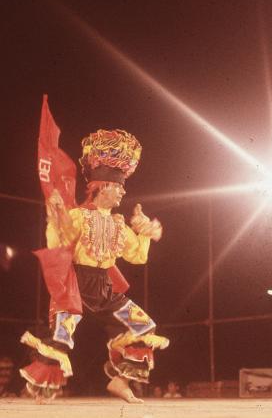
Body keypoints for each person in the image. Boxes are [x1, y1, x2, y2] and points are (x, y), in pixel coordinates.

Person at [20, 125, 169, 403]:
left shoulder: (118, 224)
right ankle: (40, 390)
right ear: (103, 188)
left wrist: (144, 232)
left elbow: (138, 256)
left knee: (145, 327)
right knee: (61, 339)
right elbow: (57, 243)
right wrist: (54, 216)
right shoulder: (78, 217)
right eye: (119, 188)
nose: (123, 193)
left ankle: (121, 382)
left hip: (105, 289)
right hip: (77, 285)